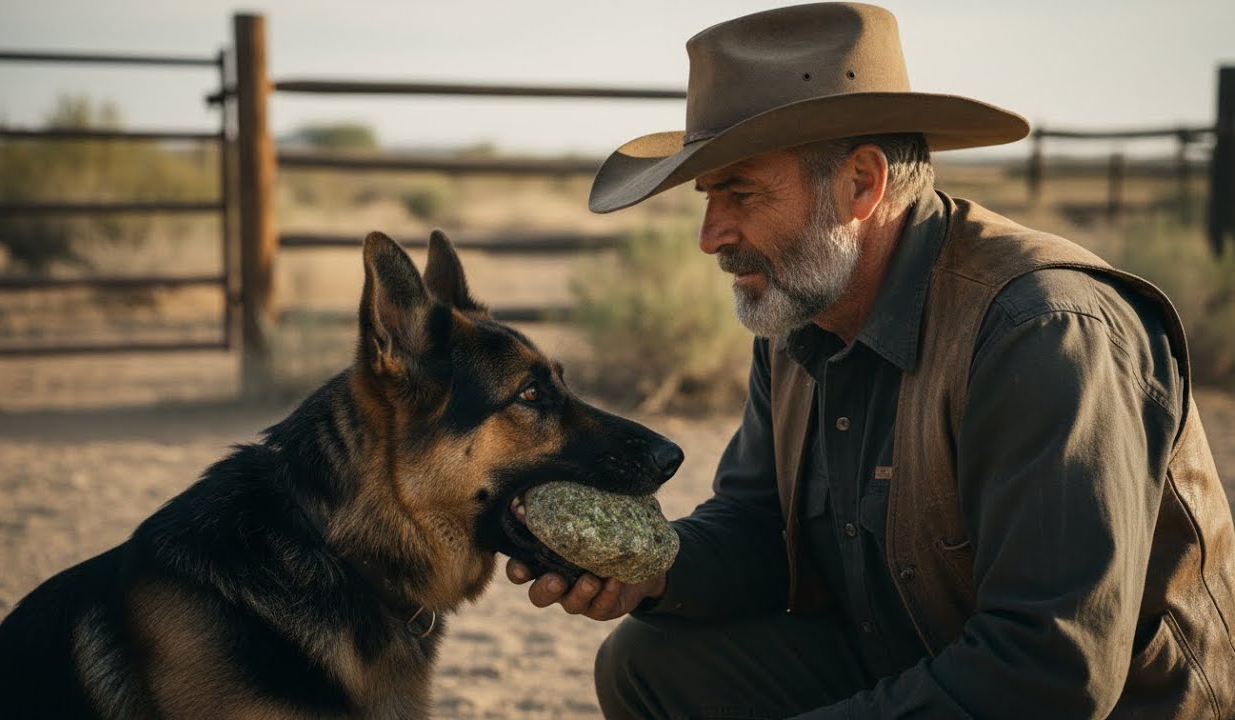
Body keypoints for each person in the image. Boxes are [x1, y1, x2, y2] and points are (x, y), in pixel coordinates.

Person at [507, 3, 1235, 718]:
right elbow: (759, 531)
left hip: (1096, 704)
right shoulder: (799, 317)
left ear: (862, 183)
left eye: (740, 192)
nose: (711, 235)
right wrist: (647, 571)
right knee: (647, 665)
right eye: (708, 196)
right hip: (917, 660)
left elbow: (1048, 666)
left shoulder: (1043, 331)